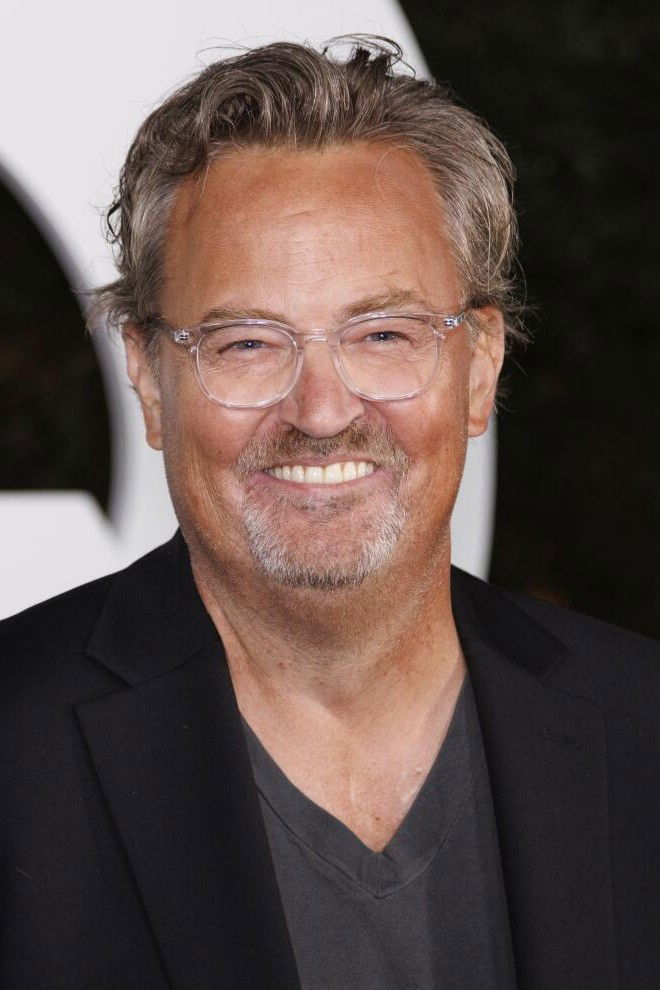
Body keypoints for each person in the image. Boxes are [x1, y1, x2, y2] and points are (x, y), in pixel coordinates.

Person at [1, 37, 658, 990]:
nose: (320, 412)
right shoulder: (16, 754)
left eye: (383, 333)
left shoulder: (643, 730)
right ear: (147, 379)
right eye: (246, 343)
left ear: (479, 366)